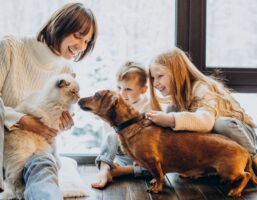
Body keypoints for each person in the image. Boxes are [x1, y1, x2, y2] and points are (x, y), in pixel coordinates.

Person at [145, 47, 257, 187]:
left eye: (160, 76)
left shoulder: (202, 87)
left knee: (220, 124)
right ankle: (201, 170)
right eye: (153, 78)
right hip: (219, 151)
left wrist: (170, 120)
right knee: (173, 114)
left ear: (177, 72)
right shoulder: (176, 103)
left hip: (241, 134)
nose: (155, 83)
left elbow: (206, 122)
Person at [0, 3, 97, 199]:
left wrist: (62, 125)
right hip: (4, 142)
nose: (81, 46)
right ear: (60, 25)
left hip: (32, 149)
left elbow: (51, 127)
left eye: (87, 41)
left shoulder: (66, 72)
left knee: (43, 168)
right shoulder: (10, 48)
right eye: (78, 35)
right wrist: (23, 120)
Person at [92, 61, 151, 189]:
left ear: (143, 89)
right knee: (111, 136)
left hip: (142, 159)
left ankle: (123, 171)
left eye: (128, 89)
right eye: (119, 88)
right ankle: (104, 170)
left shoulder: (150, 107)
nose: (122, 94)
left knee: (157, 167)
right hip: (123, 154)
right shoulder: (114, 106)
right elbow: (109, 138)